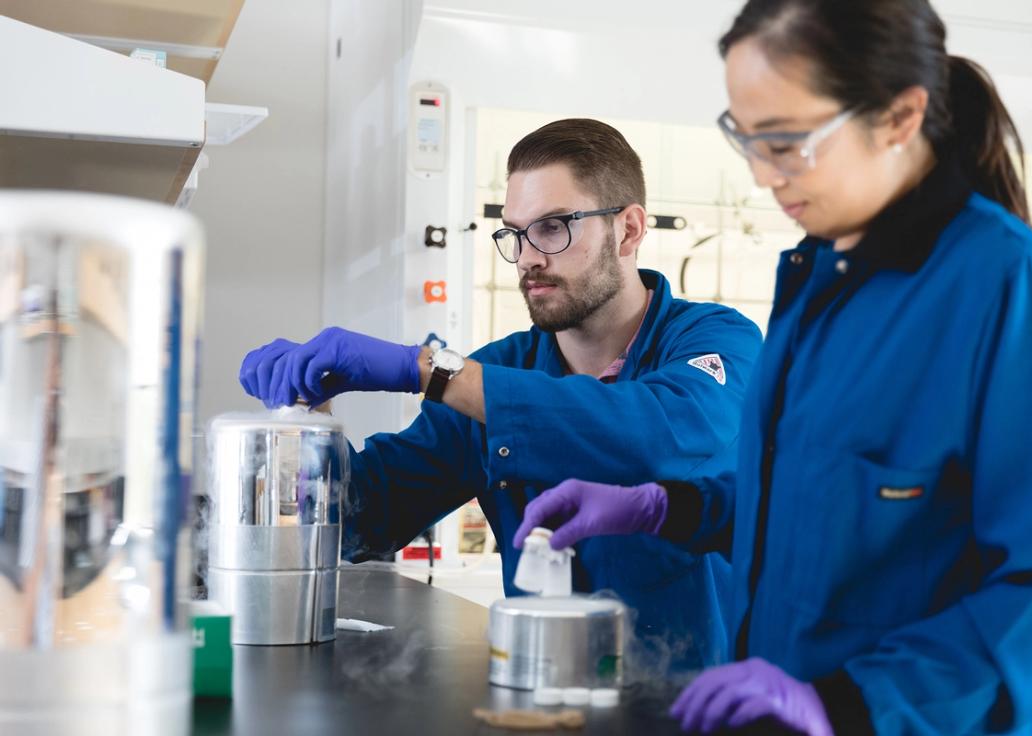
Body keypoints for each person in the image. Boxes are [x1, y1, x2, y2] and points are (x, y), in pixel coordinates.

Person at [513, 2, 1032, 734]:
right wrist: (669, 507)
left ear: (899, 118)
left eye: (788, 143)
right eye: (747, 140)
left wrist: (845, 705)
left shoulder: (1005, 288)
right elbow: (815, 504)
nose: (764, 177)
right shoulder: (818, 273)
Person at [238, 118, 763, 668]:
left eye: (554, 227)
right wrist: (307, 422)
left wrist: (429, 371)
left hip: (702, 705)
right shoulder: (498, 371)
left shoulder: (717, 340)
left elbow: (652, 436)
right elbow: (368, 523)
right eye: (514, 232)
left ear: (628, 230)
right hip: (545, 699)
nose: (529, 256)